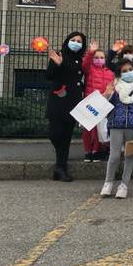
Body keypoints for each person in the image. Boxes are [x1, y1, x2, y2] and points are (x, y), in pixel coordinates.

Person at [100, 59, 133, 199]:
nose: (128, 73)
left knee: (130, 156)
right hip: (115, 125)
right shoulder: (115, 85)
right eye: (124, 71)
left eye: (130, 70)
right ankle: (108, 183)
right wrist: (107, 94)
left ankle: (124, 185)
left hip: (132, 126)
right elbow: (105, 107)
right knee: (114, 156)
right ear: (119, 73)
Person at [45, 31, 87, 182]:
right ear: (68, 40)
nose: (76, 43)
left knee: (66, 137)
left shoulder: (80, 60)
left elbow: (78, 78)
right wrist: (57, 65)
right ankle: (60, 166)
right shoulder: (59, 54)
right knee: (55, 134)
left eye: (79, 41)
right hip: (58, 100)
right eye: (73, 40)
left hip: (72, 101)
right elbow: (49, 75)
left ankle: (60, 168)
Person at [81, 40, 115, 162]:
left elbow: (113, 88)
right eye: (96, 57)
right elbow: (84, 64)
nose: (99, 59)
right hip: (90, 101)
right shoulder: (89, 69)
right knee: (88, 129)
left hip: (104, 103)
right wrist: (91, 53)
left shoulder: (111, 73)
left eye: (101, 57)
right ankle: (88, 152)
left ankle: (98, 150)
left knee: (100, 129)